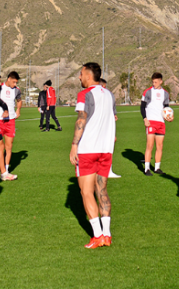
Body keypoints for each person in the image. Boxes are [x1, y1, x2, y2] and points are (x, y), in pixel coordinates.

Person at [69, 63, 117, 248]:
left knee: (86, 191)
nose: (79, 77)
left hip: (88, 149)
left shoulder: (85, 94)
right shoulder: (109, 94)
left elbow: (82, 118)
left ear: (89, 76)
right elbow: (113, 119)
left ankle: (97, 236)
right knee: (102, 190)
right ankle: (107, 235)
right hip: (106, 150)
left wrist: (74, 145)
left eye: (81, 74)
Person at [141, 73, 172, 176]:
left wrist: (169, 117)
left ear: (161, 81)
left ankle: (157, 168)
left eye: (156, 82)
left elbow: (166, 109)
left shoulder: (165, 94)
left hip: (161, 123)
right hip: (151, 122)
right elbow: (142, 107)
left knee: (160, 146)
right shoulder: (148, 92)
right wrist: (145, 118)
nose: (154, 84)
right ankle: (146, 169)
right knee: (149, 145)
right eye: (153, 82)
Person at [0, 71, 22, 177]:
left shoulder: (16, 90)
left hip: (11, 120)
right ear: (9, 79)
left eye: (16, 82)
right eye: (14, 82)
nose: (15, 84)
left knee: (8, 146)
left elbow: (19, 101)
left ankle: (5, 171)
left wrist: (18, 110)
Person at [100, 79, 121, 179]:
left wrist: (114, 114)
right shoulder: (104, 95)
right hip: (103, 124)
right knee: (106, 144)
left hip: (106, 123)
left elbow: (112, 108)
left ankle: (107, 169)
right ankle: (106, 170)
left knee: (109, 142)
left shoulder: (108, 95)